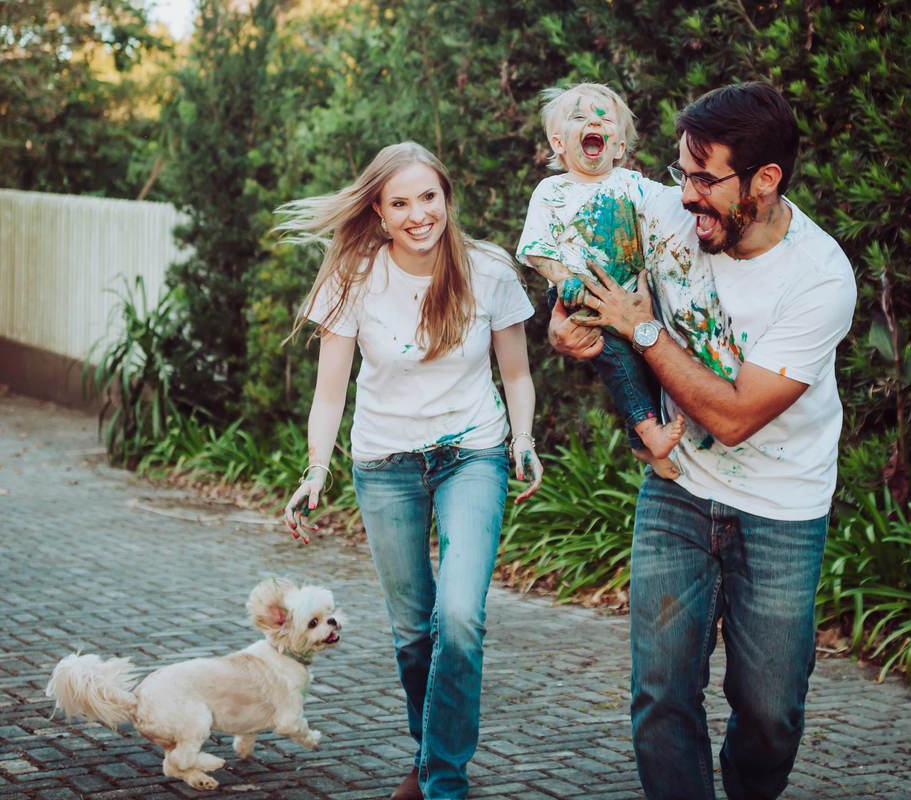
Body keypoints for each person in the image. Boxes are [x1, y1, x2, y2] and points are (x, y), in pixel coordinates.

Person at [549, 82, 857, 800]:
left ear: (765, 180)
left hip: (782, 509)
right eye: (680, 171)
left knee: (770, 714)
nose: (685, 196)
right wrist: (569, 327)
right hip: (677, 493)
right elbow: (593, 297)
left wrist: (641, 328)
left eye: (703, 178)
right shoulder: (664, 217)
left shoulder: (819, 278)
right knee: (660, 695)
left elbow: (736, 415)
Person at [276, 141, 544, 800]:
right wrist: (316, 469)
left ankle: (442, 782)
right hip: (384, 464)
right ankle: (431, 759)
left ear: (447, 197)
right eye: (401, 202)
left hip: (471, 454)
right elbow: (331, 391)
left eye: (429, 197)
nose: (418, 213)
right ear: (379, 209)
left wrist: (524, 439)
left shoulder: (487, 268)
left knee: (458, 617)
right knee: (413, 631)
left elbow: (516, 371)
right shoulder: (353, 274)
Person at [516, 82, 685, 479]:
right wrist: (563, 276)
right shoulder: (551, 191)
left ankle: (644, 443)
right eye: (579, 117)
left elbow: (676, 207)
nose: (593, 120)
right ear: (558, 144)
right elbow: (535, 248)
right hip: (583, 298)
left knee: (655, 365)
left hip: (634, 297)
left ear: (619, 147)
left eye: (604, 118)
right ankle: (650, 436)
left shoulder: (634, 185)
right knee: (621, 364)